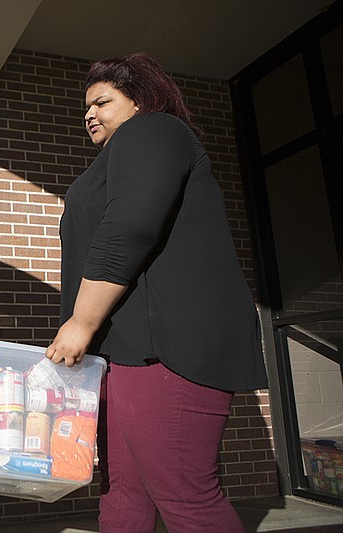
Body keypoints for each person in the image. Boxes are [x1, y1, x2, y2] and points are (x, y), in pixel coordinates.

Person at [45, 52, 268, 532]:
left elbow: (128, 230)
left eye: (102, 101)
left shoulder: (153, 130)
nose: (89, 114)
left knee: (185, 494)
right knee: (122, 491)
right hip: (126, 354)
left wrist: (81, 323)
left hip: (169, 347)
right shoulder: (120, 153)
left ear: (140, 99)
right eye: (86, 107)